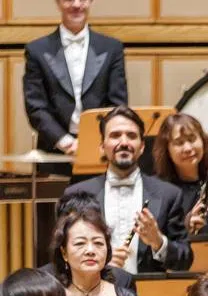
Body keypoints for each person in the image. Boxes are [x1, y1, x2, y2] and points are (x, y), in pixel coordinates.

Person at [60, 105, 192, 275]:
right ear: (102, 145)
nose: (124, 142)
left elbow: (185, 260)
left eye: (131, 136)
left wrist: (159, 242)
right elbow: (61, 255)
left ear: (142, 146)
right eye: (115, 136)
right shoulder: (76, 195)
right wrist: (101, 260)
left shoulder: (169, 195)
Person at [22, 0, 127, 155]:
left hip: (100, 148)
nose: (77, 4)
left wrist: (92, 141)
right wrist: (66, 143)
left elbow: (117, 104)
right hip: (54, 150)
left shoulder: (112, 48)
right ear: (58, 3)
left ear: (91, 1)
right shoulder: (36, 50)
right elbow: (36, 107)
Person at [151, 111, 208, 236]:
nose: (188, 148)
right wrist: (186, 227)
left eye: (192, 139)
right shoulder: (157, 190)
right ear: (166, 150)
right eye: (179, 142)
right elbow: (154, 242)